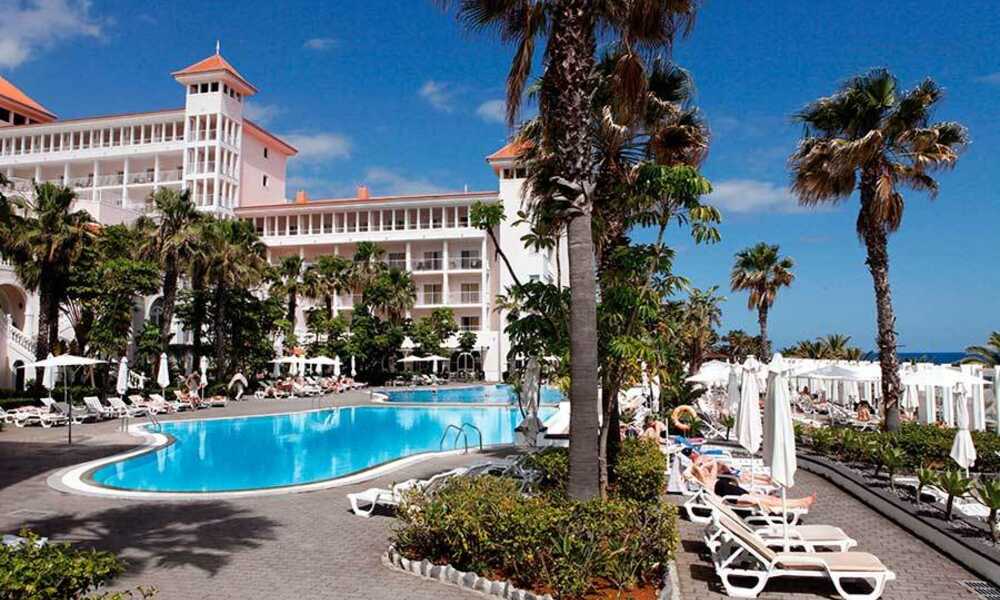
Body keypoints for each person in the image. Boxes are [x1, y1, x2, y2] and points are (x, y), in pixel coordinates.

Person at [687, 459, 817, 511]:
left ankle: (801, 502)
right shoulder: (707, 482)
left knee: (772, 499)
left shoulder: (711, 477)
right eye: (701, 469)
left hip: (739, 492)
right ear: (699, 474)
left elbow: (714, 463)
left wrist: (703, 465)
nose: (704, 468)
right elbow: (693, 471)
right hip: (736, 498)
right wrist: (700, 467)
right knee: (771, 501)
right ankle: (801, 502)